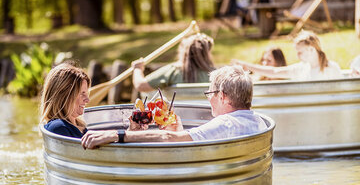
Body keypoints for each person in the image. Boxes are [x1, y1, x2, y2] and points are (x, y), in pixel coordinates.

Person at [81, 65, 268, 149]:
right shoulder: (258, 121)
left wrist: (115, 134)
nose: (208, 100)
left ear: (222, 97)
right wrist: (180, 133)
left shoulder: (226, 123)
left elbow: (166, 136)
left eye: (209, 94)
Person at [232, 30, 342, 81]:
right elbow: (273, 72)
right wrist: (247, 65)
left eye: (300, 52)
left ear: (311, 49)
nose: (298, 56)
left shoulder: (331, 68)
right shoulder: (302, 68)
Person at [132, 33, 215, 92]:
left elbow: (140, 85)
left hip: (175, 116)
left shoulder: (172, 71)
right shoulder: (215, 75)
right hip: (205, 116)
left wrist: (137, 69)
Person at [40, 62, 91, 138]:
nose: (87, 100)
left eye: (86, 93)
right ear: (63, 96)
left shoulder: (80, 127)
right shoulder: (59, 128)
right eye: (82, 94)